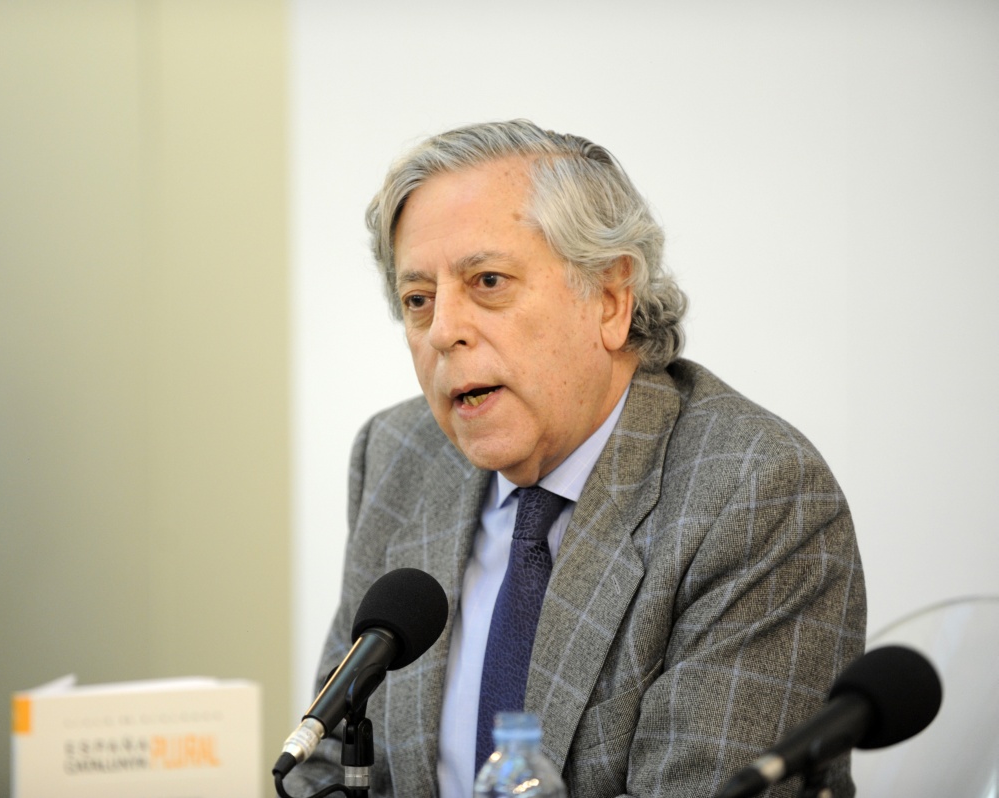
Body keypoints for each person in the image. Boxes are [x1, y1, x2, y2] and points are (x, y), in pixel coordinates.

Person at [287, 120, 866, 798]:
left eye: (488, 281)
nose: (443, 331)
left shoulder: (754, 494)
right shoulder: (397, 457)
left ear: (612, 299)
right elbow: (328, 765)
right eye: (419, 300)